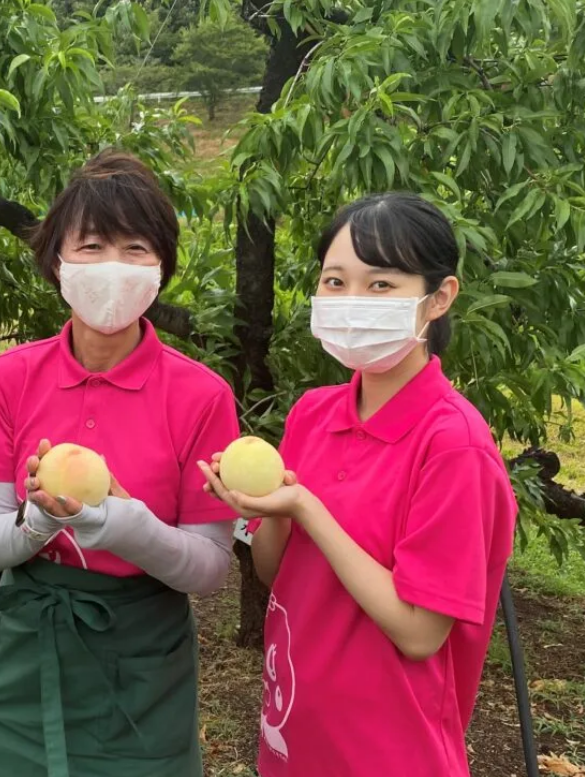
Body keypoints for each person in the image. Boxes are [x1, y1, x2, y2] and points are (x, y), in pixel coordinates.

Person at [199, 192, 518, 777]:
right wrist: (263, 509)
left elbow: (420, 632)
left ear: (438, 298)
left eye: (380, 286)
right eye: (335, 281)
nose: (351, 302)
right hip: (294, 735)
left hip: (390, 751)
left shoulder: (454, 446)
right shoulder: (313, 415)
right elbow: (279, 574)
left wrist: (306, 506)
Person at [0, 149, 241, 777]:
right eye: (90, 246)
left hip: (142, 655)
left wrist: (121, 523)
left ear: (162, 266)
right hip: (28, 646)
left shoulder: (201, 396)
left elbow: (208, 568)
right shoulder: (10, 378)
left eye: (135, 248)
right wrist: (39, 523)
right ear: (56, 258)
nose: (112, 267)